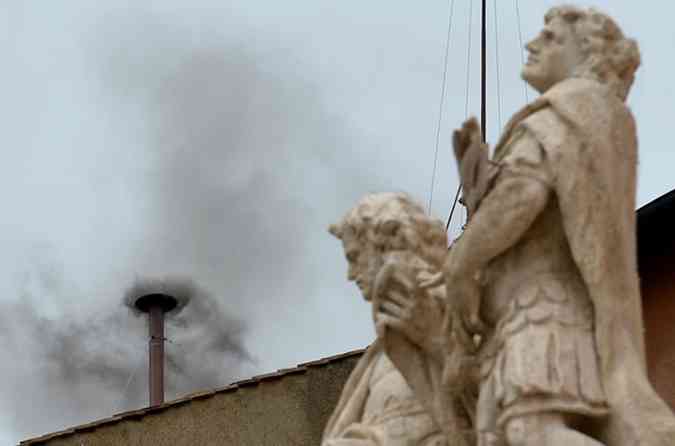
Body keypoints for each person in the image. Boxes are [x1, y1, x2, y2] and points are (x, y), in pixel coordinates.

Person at [436, 6, 675, 446]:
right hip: (526, 316)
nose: (532, 43)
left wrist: (460, 265)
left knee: (531, 435)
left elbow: (520, 198)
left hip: (541, 313)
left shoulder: (563, 114)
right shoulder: (599, 117)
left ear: (584, 50)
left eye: (550, 36)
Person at [323, 193, 472, 446]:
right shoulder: (380, 351)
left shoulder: (466, 306)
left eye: (354, 257)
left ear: (383, 246)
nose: (350, 274)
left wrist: (435, 339)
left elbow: (502, 405)